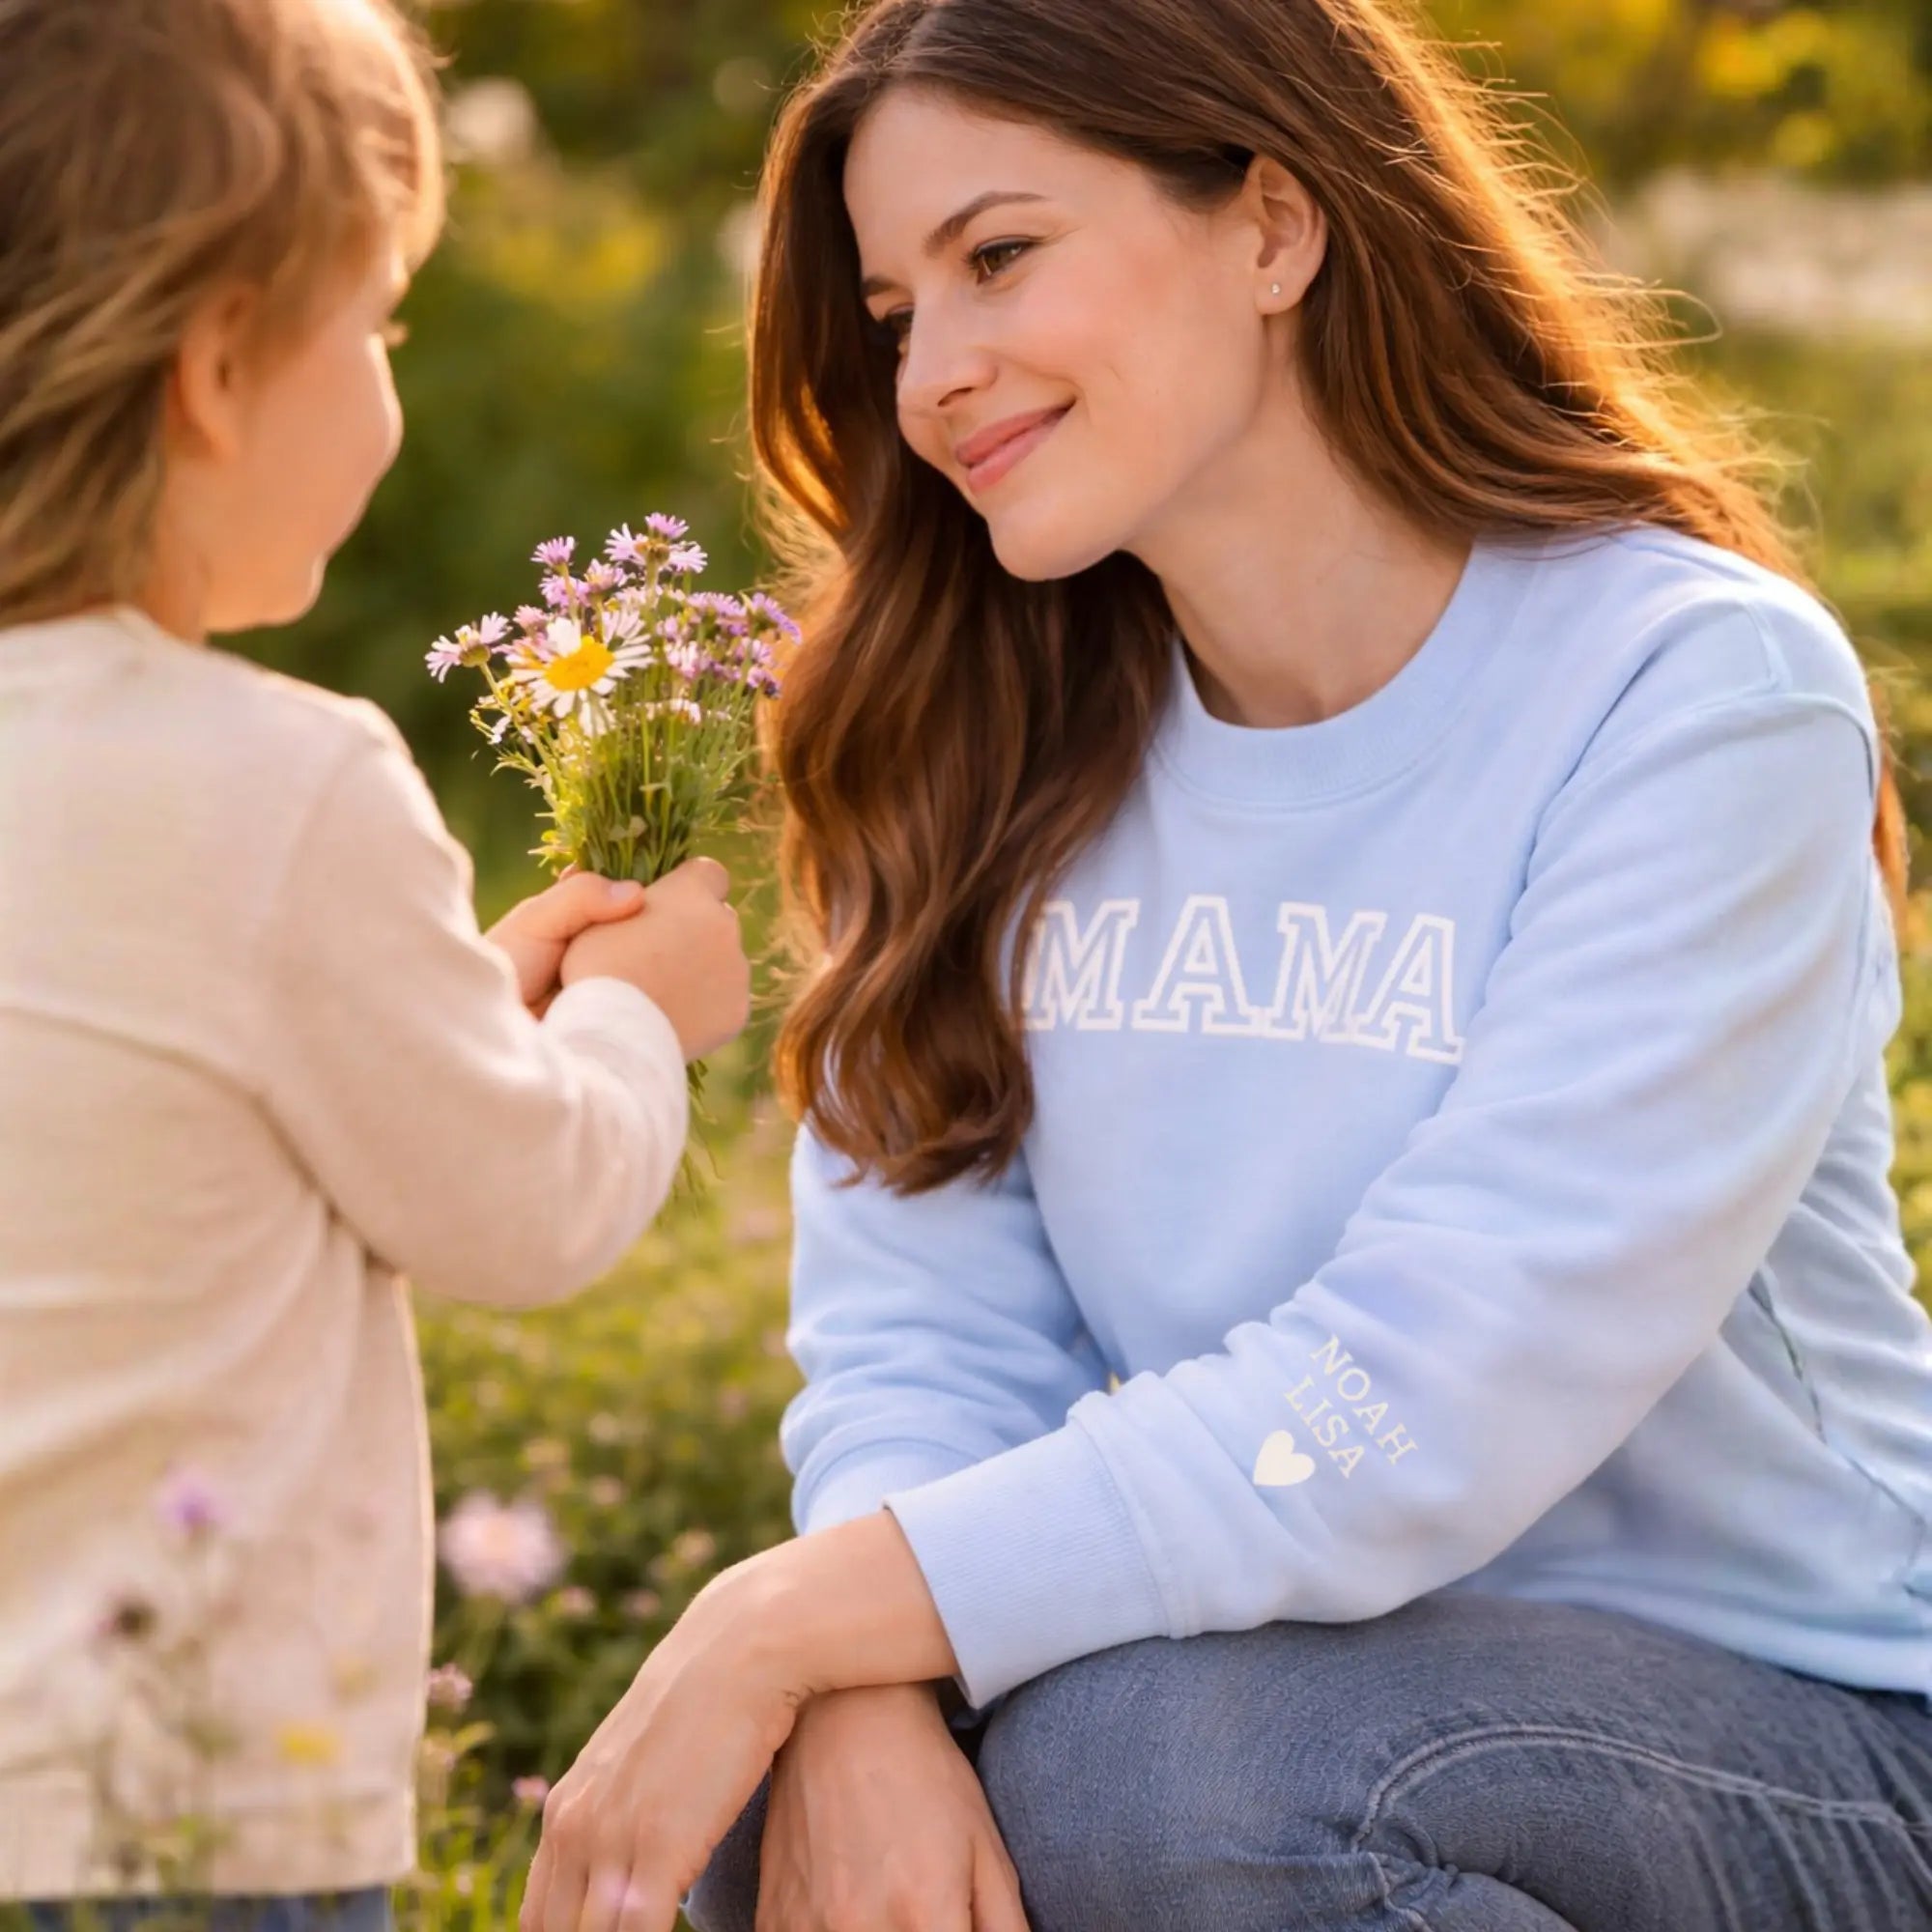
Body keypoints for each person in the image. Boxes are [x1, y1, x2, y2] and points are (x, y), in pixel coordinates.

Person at [524, 1, 1932, 1928]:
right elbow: (922, 1344)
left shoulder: (1689, 693)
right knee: (799, 1823)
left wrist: (788, 1616)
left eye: (999, 256)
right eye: (889, 312)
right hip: (1245, 1686)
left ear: (1273, 225)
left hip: (1794, 1738)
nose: (934, 372)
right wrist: (858, 1692)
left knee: (1163, 1784)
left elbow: (1418, 1400)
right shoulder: (973, 738)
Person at [0, 1, 750, 1923]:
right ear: (220, 372)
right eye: (384, 324)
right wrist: (630, 1019)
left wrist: (460, 989)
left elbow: (184, 1113)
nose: (395, 378)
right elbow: (527, 1200)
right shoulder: (281, 784)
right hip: (202, 1829)